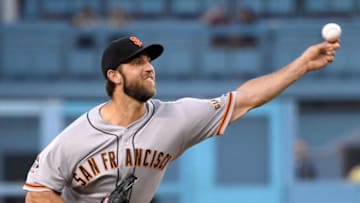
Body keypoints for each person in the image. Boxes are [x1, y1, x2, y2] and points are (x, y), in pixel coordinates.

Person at [23, 35, 340, 203]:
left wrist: (301, 65)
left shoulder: (175, 117)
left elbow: (247, 98)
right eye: (137, 62)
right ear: (114, 76)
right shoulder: (76, 137)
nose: (149, 67)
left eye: (149, 60)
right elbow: (36, 193)